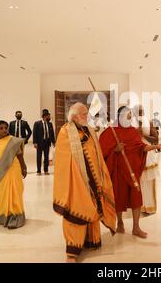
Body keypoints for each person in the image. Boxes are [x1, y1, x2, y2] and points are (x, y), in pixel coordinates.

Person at [53, 103, 116, 262]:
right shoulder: (65, 131)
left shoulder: (89, 130)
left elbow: (97, 153)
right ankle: (72, 253)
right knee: (77, 210)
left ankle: (91, 241)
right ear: (74, 116)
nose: (87, 116)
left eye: (87, 113)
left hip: (94, 179)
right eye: (83, 114)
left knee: (94, 207)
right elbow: (62, 156)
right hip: (76, 180)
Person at [99, 106, 161, 238]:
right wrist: (115, 150)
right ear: (120, 117)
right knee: (119, 198)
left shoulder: (133, 132)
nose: (131, 117)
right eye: (128, 115)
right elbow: (101, 153)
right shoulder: (110, 132)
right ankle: (119, 223)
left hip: (132, 172)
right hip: (118, 172)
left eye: (131, 114)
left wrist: (156, 146)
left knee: (136, 197)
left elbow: (141, 148)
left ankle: (136, 228)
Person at [0, 121, 27, 229]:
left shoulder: (12, 141)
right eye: (1, 128)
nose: (4, 130)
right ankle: (3, 216)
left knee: (15, 192)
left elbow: (19, 155)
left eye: (6, 128)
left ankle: (15, 217)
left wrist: (23, 167)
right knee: (1, 194)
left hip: (13, 169)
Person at [133, 105, 160, 215]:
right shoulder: (130, 124)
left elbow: (156, 139)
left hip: (148, 155)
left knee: (149, 181)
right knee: (139, 181)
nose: (140, 113)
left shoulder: (149, 122)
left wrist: (143, 135)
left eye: (142, 111)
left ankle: (150, 206)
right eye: (138, 111)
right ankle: (140, 205)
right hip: (136, 154)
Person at [33, 109, 55, 175]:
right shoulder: (37, 123)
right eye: (48, 116)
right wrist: (35, 142)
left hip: (47, 142)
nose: (49, 117)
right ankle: (39, 171)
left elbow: (52, 133)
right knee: (39, 157)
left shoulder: (50, 124)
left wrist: (53, 142)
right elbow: (34, 133)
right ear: (45, 116)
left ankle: (46, 170)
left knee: (46, 157)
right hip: (39, 143)